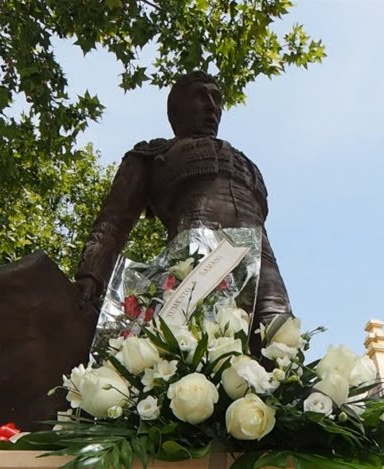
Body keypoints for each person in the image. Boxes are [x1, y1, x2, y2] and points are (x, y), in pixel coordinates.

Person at [74, 71, 293, 341]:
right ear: (176, 110)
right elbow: (112, 222)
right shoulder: (153, 156)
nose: (212, 106)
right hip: (197, 258)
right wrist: (90, 277)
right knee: (203, 344)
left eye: (216, 98)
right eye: (201, 96)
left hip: (263, 260)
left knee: (280, 336)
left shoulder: (243, 161)